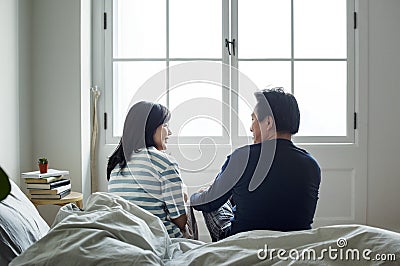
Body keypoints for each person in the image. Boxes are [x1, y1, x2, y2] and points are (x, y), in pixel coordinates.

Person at [190, 88, 321, 241]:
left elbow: (209, 203)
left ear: (269, 122)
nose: (251, 128)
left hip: (243, 240)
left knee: (208, 196)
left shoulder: (241, 157)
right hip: (295, 241)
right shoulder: (311, 165)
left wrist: (193, 198)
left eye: (253, 119)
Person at [107, 101, 188, 238]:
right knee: (187, 214)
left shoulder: (116, 162)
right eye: (165, 126)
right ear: (150, 128)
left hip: (123, 235)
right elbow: (180, 221)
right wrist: (183, 194)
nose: (169, 132)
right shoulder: (165, 163)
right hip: (157, 236)